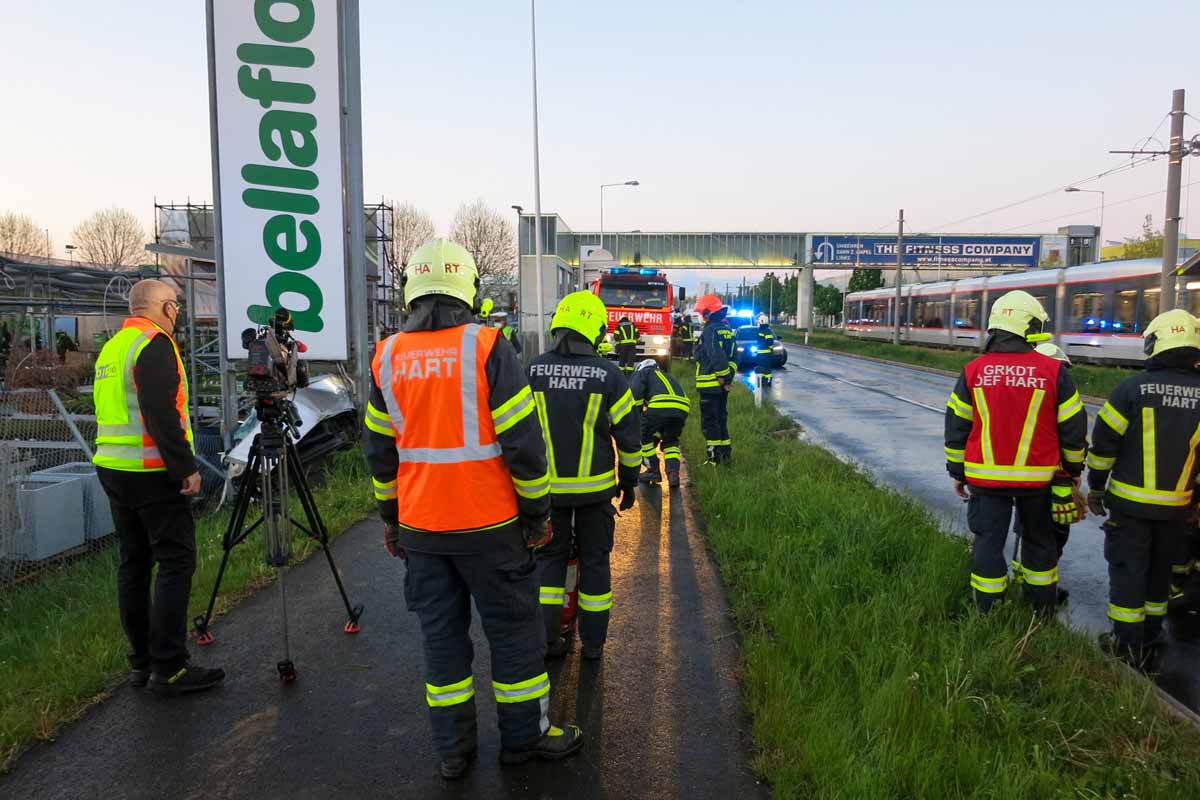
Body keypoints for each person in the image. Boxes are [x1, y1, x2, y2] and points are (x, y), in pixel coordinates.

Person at [363, 240, 582, 779]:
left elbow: (378, 450)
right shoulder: (488, 348)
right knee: (512, 635)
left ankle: (452, 752)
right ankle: (524, 741)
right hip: (492, 529)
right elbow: (524, 446)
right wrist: (537, 516)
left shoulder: (386, 355)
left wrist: (391, 519)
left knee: (442, 642)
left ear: (413, 291)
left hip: (422, 530)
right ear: (470, 291)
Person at [92, 279, 223, 695]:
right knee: (175, 562)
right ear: (164, 307)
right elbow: (160, 412)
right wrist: (185, 468)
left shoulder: (114, 347)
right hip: (151, 471)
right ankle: (169, 667)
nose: (179, 313)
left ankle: (142, 662)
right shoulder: (156, 344)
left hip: (113, 467)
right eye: (177, 306)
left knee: (133, 565)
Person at [943, 290, 1088, 614]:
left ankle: (988, 611)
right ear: (1029, 326)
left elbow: (957, 426)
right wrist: (1072, 470)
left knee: (988, 543)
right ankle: (1040, 611)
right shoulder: (1053, 372)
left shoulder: (973, 371)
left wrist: (958, 472)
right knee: (1040, 544)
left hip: (985, 481)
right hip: (1038, 481)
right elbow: (1073, 429)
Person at [528, 291, 641, 661]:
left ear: (557, 326)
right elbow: (628, 436)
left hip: (546, 495)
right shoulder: (609, 375)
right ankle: (593, 644)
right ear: (594, 331)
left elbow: (513, 434)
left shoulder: (531, 370)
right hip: (595, 495)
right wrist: (628, 482)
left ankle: (548, 641)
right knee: (595, 563)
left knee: (548, 564)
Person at [1085, 308, 1200, 667]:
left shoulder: (1131, 389)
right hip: (1177, 508)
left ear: (1155, 344)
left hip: (1130, 507)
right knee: (1160, 571)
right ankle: (1152, 634)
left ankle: (1125, 644)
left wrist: (1097, 487)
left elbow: (1103, 445)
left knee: (1128, 570)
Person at [1010, 343, 1086, 605]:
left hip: (1027, 479)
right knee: (1052, 536)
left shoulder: (1021, 391)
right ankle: (1041, 594)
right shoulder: (1062, 390)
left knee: (1029, 535)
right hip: (1056, 481)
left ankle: (1033, 590)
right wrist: (1075, 472)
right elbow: (1074, 436)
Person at [630, 358, 690, 488]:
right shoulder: (665, 375)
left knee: (643, 436)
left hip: (660, 405)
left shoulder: (642, 373)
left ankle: (653, 470)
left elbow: (636, 393)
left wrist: (636, 416)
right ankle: (673, 473)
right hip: (682, 408)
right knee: (671, 441)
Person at [694, 294, 735, 464]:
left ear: (708, 313)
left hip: (710, 385)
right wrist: (728, 378)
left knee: (710, 422)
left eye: (702, 314)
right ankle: (726, 455)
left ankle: (713, 458)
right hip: (722, 386)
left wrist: (722, 377)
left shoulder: (710, 331)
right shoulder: (727, 330)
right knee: (721, 419)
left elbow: (715, 354)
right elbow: (733, 357)